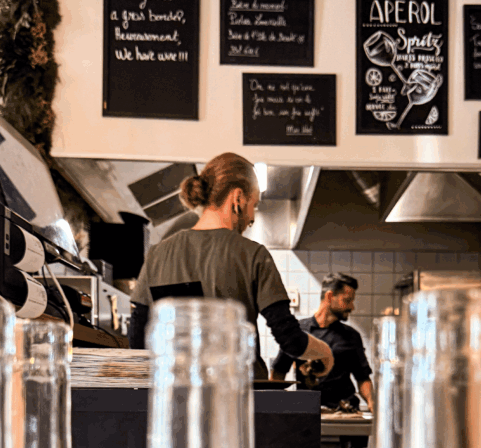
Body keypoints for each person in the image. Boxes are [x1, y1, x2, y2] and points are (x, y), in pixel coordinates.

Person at [127, 153, 334, 379]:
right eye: (253, 205)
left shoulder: (157, 254)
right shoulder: (253, 255)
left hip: (179, 397)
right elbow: (289, 338)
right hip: (240, 398)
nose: (252, 217)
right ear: (238, 198)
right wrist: (324, 352)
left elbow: (138, 339)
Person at [271, 273, 375, 413]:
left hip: (345, 414)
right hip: (307, 414)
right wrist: (273, 406)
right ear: (329, 297)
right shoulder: (298, 333)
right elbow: (279, 371)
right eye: (347, 300)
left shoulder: (351, 336)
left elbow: (363, 378)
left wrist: (372, 404)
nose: (352, 307)